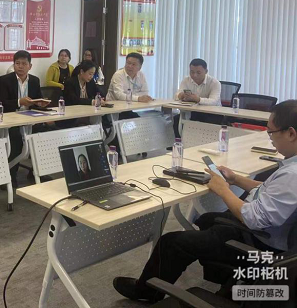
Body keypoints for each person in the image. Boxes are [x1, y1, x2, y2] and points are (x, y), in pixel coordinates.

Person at [113, 100, 297, 302]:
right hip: (268, 235)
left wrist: (223, 190)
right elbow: (269, 191)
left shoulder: (292, 175)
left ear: (291, 133)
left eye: (271, 132)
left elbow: (254, 218)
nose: (269, 138)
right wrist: (236, 179)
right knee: (207, 219)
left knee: (171, 242)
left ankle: (146, 292)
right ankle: (220, 273)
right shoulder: (291, 168)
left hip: (260, 243)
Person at [0, 50, 50, 184]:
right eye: (17, 63)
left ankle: (37, 171)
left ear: (30, 66)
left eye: (24, 64)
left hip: (30, 118)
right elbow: (1, 103)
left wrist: (40, 104)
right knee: (15, 140)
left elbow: (37, 99)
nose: (20, 66)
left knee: (43, 136)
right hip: (11, 119)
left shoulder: (34, 80)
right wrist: (19, 102)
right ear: (13, 64)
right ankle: (10, 177)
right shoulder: (5, 80)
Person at [174, 58, 223, 135]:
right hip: (194, 111)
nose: (194, 75)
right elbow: (177, 95)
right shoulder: (186, 80)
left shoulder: (215, 83)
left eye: (198, 72)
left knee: (206, 123)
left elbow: (214, 101)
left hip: (213, 113)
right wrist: (181, 95)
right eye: (192, 72)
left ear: (206, 71)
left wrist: (198, 99)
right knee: (176, 120)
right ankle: (181, 142)